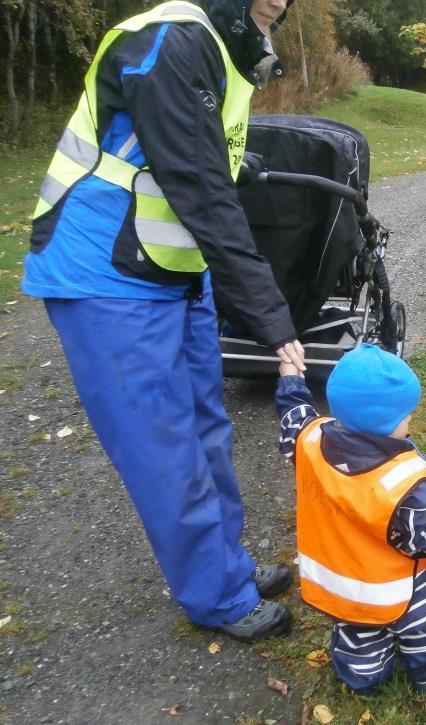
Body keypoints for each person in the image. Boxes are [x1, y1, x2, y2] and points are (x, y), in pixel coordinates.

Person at [21, 0, 305, 641]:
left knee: (208, 426)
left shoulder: (231, 41)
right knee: (164, 448)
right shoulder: (172, 38)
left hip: (175, 265)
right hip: (107, 272)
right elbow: (197, 184)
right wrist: (271, 315)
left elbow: (200, 149)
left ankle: (225, 565)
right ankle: (218, 596)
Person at [276, 344, 426, 695]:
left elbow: (294, 415)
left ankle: (363, 683)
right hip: (402, 595)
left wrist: (291, 380)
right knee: (424, 636)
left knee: (358, 644)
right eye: (405, 415)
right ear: (384, 424)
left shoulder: (307, 442)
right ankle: (424, 681)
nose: (410, 421)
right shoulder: (402, 486)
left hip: (342, 590)